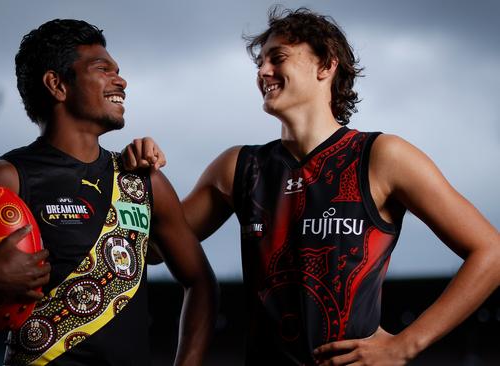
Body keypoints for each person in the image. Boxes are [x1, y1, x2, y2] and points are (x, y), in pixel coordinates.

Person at [123, 7, 500, 366]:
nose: (263, 72)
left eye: (277, 58)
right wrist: (140, 182)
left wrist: (406, 344)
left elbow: (491, 252)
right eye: (260, 63)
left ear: (326, 64)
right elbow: (156, 251)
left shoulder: (382, 156)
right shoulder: (237, 166)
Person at [0, 19, 217, 366]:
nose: (120, 80)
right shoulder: (6, 179)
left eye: (118, 70)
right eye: (102, 69)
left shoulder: (142, 181)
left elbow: (200, 282)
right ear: (57, 85)